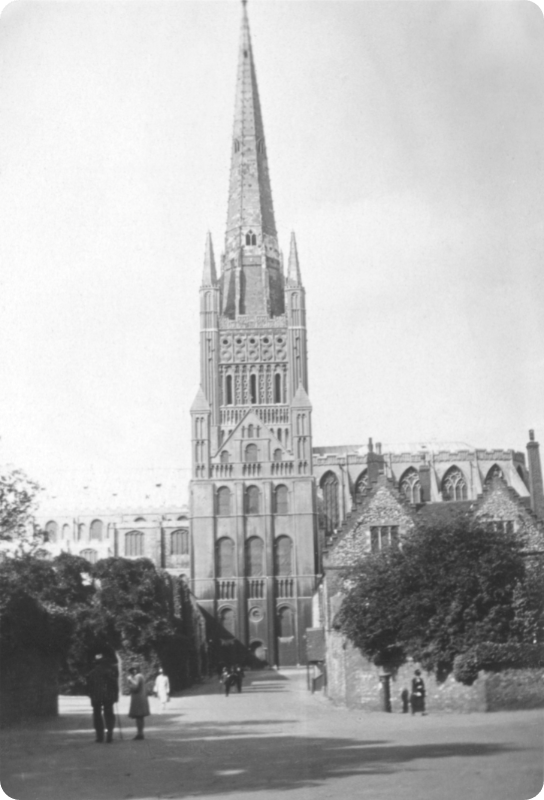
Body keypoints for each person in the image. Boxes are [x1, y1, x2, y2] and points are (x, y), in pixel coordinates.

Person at [86, 653, 119, 743]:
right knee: (109, 716)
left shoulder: (91, 673)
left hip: (96, 698)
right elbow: (114, 685)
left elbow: (88, 688)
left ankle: (100, 736)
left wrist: (91, 696)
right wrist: (116, 697)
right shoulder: (109, 671)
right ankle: (109, 734)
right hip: (108, 697)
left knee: (97, 716)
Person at [127, 665, 150, 739]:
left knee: (138, 717)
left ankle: (139, 733)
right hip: (142, 698)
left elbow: (135, 686)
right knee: (140, 717)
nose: (132, 672)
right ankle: (140, 733)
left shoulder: (137, 676)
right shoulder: (141, 676)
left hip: (138, 699)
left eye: (133, 670)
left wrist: (130, 679)